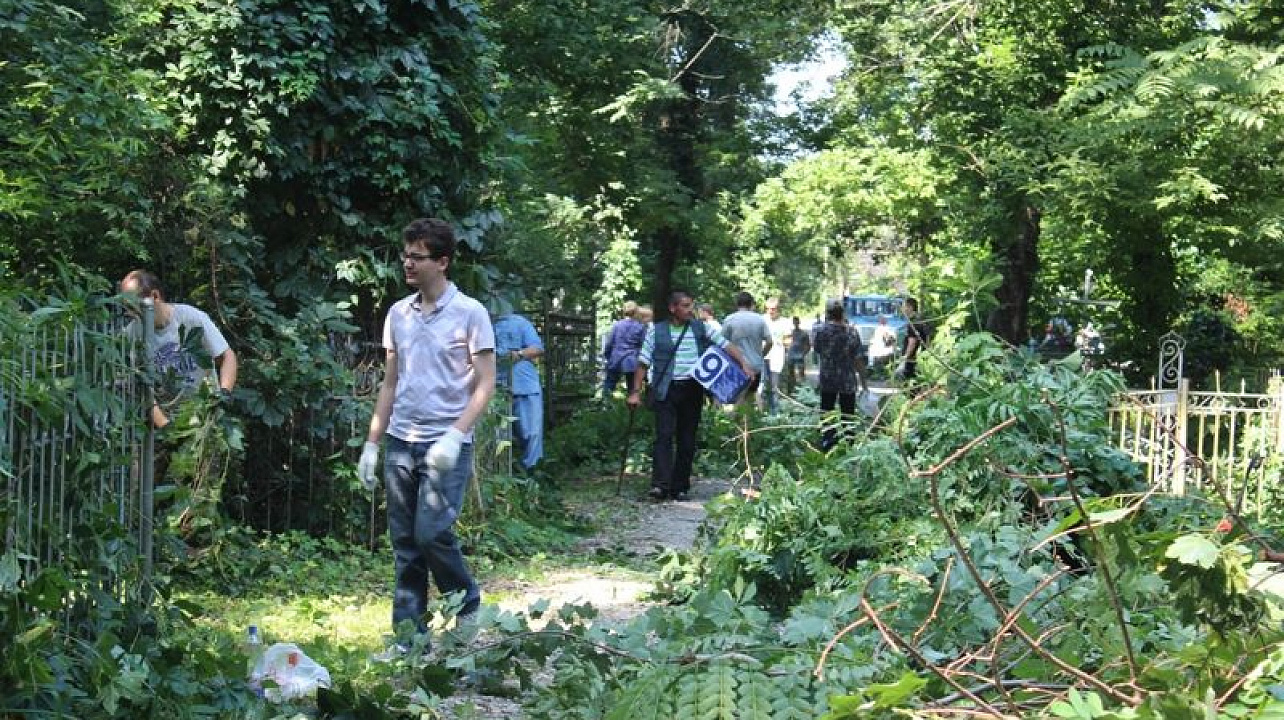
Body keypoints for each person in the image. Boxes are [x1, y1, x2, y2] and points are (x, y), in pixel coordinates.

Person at [357, 218, 496, 640]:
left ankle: (467, 607)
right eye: (406, 255)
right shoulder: (398, 314)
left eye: (417, 257)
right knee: (405, 545)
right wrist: (371, 443)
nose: (407, 263)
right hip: (401, 441)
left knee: (432, 532)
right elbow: (390, 382)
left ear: (443, 262)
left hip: (445, 442)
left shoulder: (470, 313)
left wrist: (456, 434)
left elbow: (487, 382)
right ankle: (409, 640)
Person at [626, 290, 754, 502]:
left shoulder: (699, 328)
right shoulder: (655, 332)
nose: (689, 310)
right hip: (665, 390)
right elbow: (643, 362)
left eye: (691, 306)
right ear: (672, 308)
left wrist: (744, 364)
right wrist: (634, 392)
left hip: (692, 389)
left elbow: (726, 345)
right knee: (663, 437)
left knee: (687, 439)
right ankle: (660, 485)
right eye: (685, 306)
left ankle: (680, 486)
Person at [118, 269, 239, 429]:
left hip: (205, 414)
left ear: (155, 296)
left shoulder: (192, 318)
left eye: (134, 305)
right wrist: (166, 427)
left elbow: (227, 356)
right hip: (162, 421)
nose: (131, 313)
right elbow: (141, 388)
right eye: (127, 307)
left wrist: (223, 395)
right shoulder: (131, 335)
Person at [492, 311, 544, 470]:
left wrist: (519, 354)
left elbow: (537, 348)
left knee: (530, 433)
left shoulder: (520, 322)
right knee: (498, 438)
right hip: (496, 388)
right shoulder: (482, 322)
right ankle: (501, 475)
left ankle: (531, 473)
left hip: (524, 386)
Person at [813, 300, 864, 451]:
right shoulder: (852, 332)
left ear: (828, 314)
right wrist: (864, 382)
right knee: (848, 413)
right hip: (847, 381)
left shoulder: (821, 332)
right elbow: (858, 359)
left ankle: (828, 442)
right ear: (843, 313)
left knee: (827, 411)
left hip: (828, 379)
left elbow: (817, 350)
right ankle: (849, 443)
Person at [718, 292, 772, 407]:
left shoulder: (730, 319)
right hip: (755, 365)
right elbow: (769, 341)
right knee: (749, 396)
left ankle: (736, 420)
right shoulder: (759, 320)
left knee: (737, 397)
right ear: (752, 304)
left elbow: (721, 342)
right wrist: (761, 354)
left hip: (736, 365)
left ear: (737, 304)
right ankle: (747, 421)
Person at [601, 301, 646, 396]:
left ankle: (604, 406)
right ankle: (631, 409)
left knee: (609, 385)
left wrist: (608, 356)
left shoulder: (617, 325)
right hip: (632, 360)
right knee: (632, 388)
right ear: (636, 312)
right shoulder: (640, 327)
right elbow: (643, 345)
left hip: (616, 359)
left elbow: (610, 343)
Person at [761, 298, 791, 413]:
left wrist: (783, 342)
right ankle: (763, 411)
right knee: (762, 386)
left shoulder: (784, 322)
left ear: (778, 309)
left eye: (773, 309)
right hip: (763, 356)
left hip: (777, 358)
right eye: (767, 309)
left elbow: (788, 341)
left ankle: (775, 412)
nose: (770, 311)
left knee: (775, 387)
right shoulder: (762, 320)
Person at [896, 297, 932, 381]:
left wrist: (905, 357)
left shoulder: (913, 323)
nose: (902, 309)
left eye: (904, 306)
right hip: (922, 357)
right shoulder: (922, 320)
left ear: (910, 307)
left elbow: (912, 342)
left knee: (908, 381)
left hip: (912, 359)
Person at [783, 316, 810, 395]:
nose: (795, 323)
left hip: (799, 356)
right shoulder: (790, 333)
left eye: (796, 322)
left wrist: (803, 353)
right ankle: (791, 391)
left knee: (801, 374)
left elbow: (808, 345)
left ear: (799, 322)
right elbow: (784, 342)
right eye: (794, 322)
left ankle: (803, 391)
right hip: (791, 355)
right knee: (790, 374)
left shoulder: (804, 333)